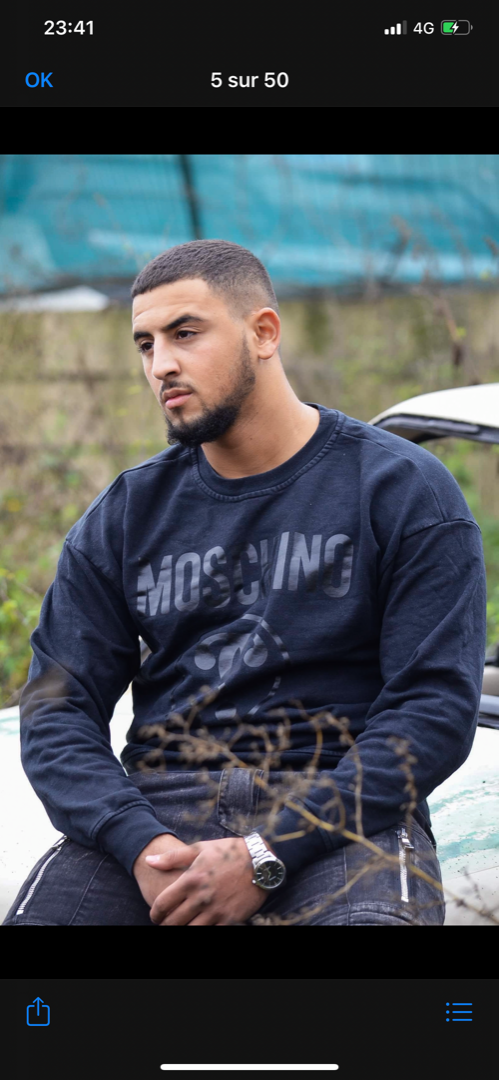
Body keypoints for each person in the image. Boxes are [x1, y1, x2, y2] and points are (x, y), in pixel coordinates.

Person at [3, 239, 486, 926]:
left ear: (263, 333)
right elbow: (56, 708)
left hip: (341, 814)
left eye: (185, 333)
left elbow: (432, 709)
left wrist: (269, 851)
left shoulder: (402, 491)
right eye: (145, 344)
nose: (160, 364)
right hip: (161, 812)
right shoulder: (127, 513)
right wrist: (138, 842)